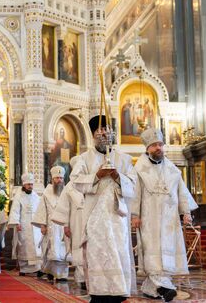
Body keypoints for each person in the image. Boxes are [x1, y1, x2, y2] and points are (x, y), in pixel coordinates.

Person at [70, 115, 136, 303]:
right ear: (93, 135)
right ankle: (99, 294)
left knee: (118, 251)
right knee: (97, 253)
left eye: (107, 130)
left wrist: (116, 176)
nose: (104, 134)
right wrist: (97, 175)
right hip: (94, 217)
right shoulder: (84, 159)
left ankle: (118, 291)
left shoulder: (124, 159)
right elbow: (75, 181)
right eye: (100, 131)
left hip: (117, 217)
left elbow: (133, 184)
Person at [131, 128, 197, 301]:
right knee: (152, 251)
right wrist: (134, 215)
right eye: (154, 146)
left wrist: (186, 212)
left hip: (169, 220)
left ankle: (152, 288)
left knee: (167, 254)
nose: (158, 148)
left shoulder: (173, 170)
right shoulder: (139, 169)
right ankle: (165, 288)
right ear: (147, 149)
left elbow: (181, 191)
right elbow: (135, 193)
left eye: (160, 144)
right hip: (148, 219)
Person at [51, 156, 86, 287]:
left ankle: (92, 279)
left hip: (92, 221)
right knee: (78, 247)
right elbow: (64, 207)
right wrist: (66, 225)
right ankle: (81, 278)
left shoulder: (92, 182)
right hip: (76, 221)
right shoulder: (69, 187)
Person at [33, 166, 69, 281]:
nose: (59, 180)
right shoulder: (46, 193)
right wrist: (42, 225)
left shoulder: (67, 192)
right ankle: (50, 272)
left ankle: (62, 275)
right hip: (51, 226)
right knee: (51, 250)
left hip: (64, 226)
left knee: (63, 250)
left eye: (61, 178)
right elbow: (42, 209)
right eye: (57, 178)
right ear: (52, 179)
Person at [7, 173, 43, 276]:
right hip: (23, 225)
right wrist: (16, 223)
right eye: (28, 184)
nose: (30, 186)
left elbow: (40, 210)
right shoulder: (19, 196)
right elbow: (15, 211)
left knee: (36, 245)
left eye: (31, 184)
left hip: (35, 225)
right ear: (24, 185)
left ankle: (37, 268)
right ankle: (24, 269)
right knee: (24, 246)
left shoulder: (36, 196)